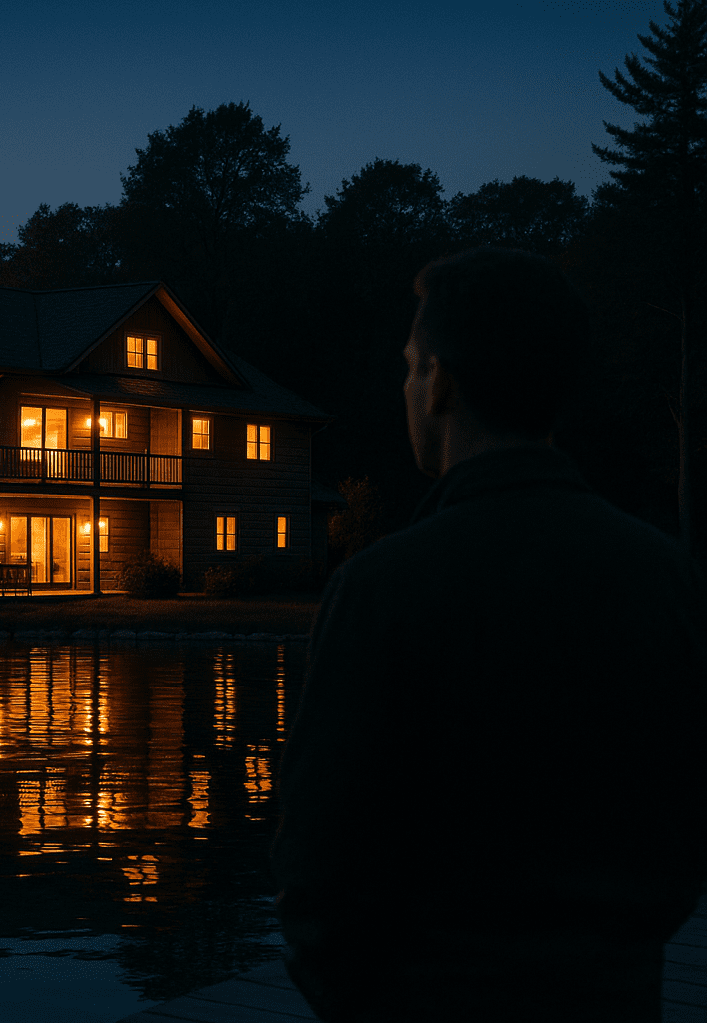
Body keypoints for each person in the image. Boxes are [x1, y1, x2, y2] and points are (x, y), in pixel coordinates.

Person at [271, 247, 707, 1022]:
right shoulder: (665, 576)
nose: (405, 385)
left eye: (410, 366)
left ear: (438, 381)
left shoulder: (382, 589)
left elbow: (317, 862)